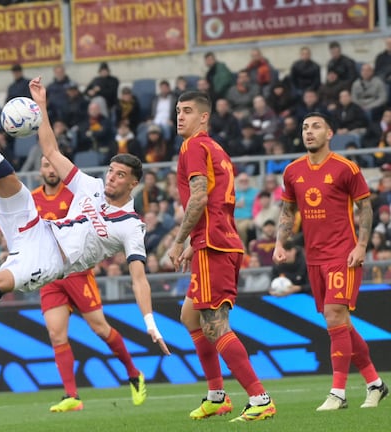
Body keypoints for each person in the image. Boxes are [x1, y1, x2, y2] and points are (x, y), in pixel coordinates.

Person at [0, 69, 169, 386]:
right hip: (38, 228)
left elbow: (139, 277)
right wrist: (42, 106)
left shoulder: (132, 226)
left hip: (52, 261)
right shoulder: (90, 186)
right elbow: (50, 151)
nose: (111, 178)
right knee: (1, 171)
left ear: (133, 183)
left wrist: (149, 320)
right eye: (111, 171)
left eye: (119, 175)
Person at [167, 91, 276, 422]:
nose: (180, 116)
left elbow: (198, 198)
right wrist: (193, 242)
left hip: (214, 244)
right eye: (177, 111)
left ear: (204, 117)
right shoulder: (217, 149)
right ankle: (217, 396)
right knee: (190, 316)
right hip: (216, 239)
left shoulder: (194, 146)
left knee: (215, 325)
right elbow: (213, 202)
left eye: (187, 111)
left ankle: (260, 398)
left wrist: (178, 239)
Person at [273, 112, 388, 411]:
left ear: (329, 133)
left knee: (335, 314)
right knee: (340, 323)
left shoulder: (345, 168)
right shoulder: (292, 171)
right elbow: (287, 211)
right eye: (305, 127)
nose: (309, 132)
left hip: (344, 253)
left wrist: (361, 246)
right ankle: (375, 383)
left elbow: (365, 208)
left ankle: (338, 392)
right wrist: (279, 243)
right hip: (314, 257)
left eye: (315, 127)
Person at [32, 156, 147, 412]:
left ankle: (133, 372)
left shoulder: (74, 192)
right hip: (51, 275)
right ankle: (71, 396)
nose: (50, 170)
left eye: (52, 165)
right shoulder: (33, 198)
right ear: (40, 170)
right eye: (46, 166)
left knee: (100, 328)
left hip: (78, 272)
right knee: (55, 334)